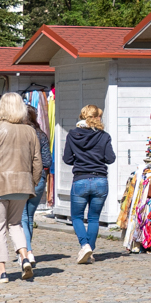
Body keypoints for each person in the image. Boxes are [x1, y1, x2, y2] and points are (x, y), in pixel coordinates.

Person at [0, 93, 43, 282]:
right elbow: (38, 162)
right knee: (16, 224)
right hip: (21, 185)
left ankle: (1, 271)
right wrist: (33, 182)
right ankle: (24, 257)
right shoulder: (30, 131)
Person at [64, 104, 115, 265]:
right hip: (100, 180)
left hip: (80, 179)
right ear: (96, 118)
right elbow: (110, 158)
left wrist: (79, 157)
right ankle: (89, 251)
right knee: (94, 218)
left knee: (77, 217)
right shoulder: (104, 136)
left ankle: (85, 245)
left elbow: (67, 159)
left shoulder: (72, 135)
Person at [21, 105, 53, 257]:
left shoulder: (19, 135)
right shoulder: (41, 135)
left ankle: (27, 251)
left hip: (22, 178)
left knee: (22, 217)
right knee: (29, 217)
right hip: (39, 179)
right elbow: (47, 161)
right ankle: (27, 250)